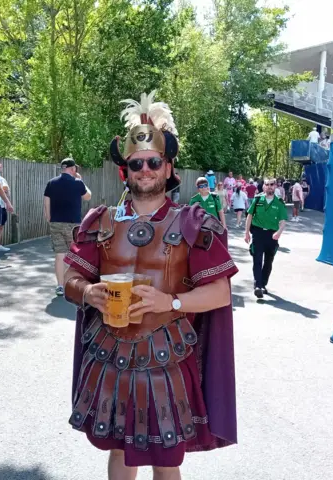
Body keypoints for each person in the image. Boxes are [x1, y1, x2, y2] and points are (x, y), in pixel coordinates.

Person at [63, 91, 238, 480]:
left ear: (168, 166)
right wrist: (87, 292)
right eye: (136, 163)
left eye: (153, 162)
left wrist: (170, 302)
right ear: (124, 170)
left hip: (169, 357)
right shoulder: (101, 221)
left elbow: (220, 293)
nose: (145, 169)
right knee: (119, 453)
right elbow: (70, 279)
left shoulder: (193, 222)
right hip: (110, 355)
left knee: (166, 460)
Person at [44, 157, 92, 296]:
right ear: (73, 169)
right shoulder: (77, 183)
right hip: (73, 224)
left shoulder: (51, 183)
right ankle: (70, 284)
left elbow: (46, 201)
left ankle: (59, 286)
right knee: (73, 255)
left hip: (56, 222)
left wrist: (49, 217)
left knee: (59, 255)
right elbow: (88, 196)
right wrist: (81, 180)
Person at [244, 178, 287, 299]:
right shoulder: (257, 200)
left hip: (272, 235)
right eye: (267, 184)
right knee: (257, 260)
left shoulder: (279, 202)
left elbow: (283, 220)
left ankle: (263, 284)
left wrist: (279, 232)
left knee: (268, 262)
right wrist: (246, 232)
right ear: (263, 187)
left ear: (275, 186)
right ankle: (258, 285)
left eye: (272, 184)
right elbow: (250, 216)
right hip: (258, 234)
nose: (269, 186)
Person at [0, 161, 11, 253]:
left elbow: (7, 190)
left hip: (3, 205)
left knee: (1, 226)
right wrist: (4, 190)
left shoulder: (2, 179)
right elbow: (2, 189)